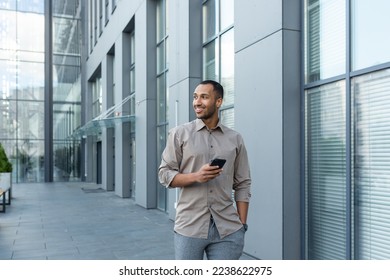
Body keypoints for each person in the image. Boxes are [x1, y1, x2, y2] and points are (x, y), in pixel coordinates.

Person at [158, 80, 251, 260]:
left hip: (228, 230)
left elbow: (243, 183)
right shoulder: (179, 134)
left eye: (204, 97)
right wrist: (196, 176)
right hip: (189, 227)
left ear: (218, 102)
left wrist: (242, 224)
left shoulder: (235, 139)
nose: (197, 102)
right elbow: (164, 173)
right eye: (195, 97)